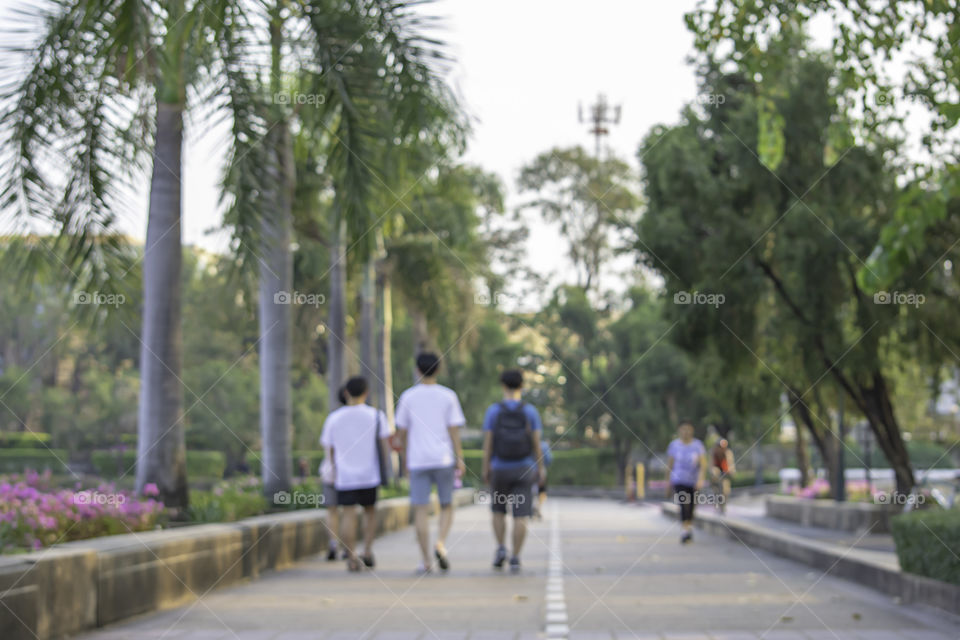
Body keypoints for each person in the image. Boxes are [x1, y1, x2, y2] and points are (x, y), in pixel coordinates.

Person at [396, 352, 466, 574]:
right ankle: (440, 543)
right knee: (446, 505)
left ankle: (425, 560)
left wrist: (404, 459)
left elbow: (402, 434)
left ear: (417, 370)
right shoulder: (448, 396)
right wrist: (460, 457)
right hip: (443, 459)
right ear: (438, 369)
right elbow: (453, 430)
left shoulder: (408, 396)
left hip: (418, 461)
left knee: (420, 510)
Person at [320, 377, 390, 571]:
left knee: (348, 515)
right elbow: (385, 446)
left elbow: (329, 450)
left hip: (345, 476)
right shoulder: (376, 416)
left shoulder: (334, 418)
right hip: (370, 474)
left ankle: (351, 556)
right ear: (366, 393)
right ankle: (367, 551)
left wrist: (333, 471)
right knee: (370, 513)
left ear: (346, 393)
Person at [481, 369, 545, 572]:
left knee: (498, 510)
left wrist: (486, 467)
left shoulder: (493, 411)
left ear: (502, 386)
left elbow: (488, 443)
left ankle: (501, 548)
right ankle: (516, 557)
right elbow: (536, 443)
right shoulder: (530, 412)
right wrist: (540, 468)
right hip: (524, 468)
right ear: (522, 386)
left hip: (499, 468)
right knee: (521, 514)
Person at [320, 386, 349, 561]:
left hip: (331, 472)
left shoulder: (333, 418)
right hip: (351, 475)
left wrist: (333, 467)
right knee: (348, 510)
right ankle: (347, 547)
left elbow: (327, 446)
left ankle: (333, 544)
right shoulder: (365, 416)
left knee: (332, 510)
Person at [666, 420, 707, 544]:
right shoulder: (674, 445)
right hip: (678, 479)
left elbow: (703, 465)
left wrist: (700, 480)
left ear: (692, 430)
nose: (686, 432)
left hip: (693, 481)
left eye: (688, 429)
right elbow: (669, 466)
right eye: (683, 429)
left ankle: (688, 527)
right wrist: (668, 483)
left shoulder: (698, 445)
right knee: (684, 504)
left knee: (692, 507)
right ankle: (685, 531)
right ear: (679, 430)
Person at [710, 437, 735, 514]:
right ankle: (717, 503)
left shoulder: (728, 452)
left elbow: (731, 463)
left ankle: (723, 505)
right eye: (720, 447)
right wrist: (714, 472)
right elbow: (711, 465)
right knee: (716, 489)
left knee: (725, 490)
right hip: (716, 472)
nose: (722, 449)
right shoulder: (713, 453)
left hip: (725, 471)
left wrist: (732, 471)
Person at [534, 438, 553, 519]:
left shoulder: (526, 441)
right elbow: (549, 459)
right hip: (540, 470)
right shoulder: (544, 445)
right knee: (542, 491)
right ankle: (538, 507)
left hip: (527, 469)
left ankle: (532, 506)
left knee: (530, 490)